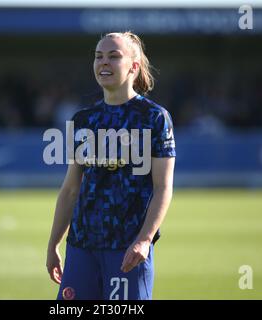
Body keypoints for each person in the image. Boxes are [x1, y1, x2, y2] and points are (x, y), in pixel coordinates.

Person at [46, 31, 176, 300]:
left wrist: (144, 239)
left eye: (113, 56)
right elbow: (71, 189)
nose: (103, 62)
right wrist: (53, 244)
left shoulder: (155, 118)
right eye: (98, 57)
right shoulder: (83, 119)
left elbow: (163, 187)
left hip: (127, 249)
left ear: (133, 66)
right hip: (82, 247)